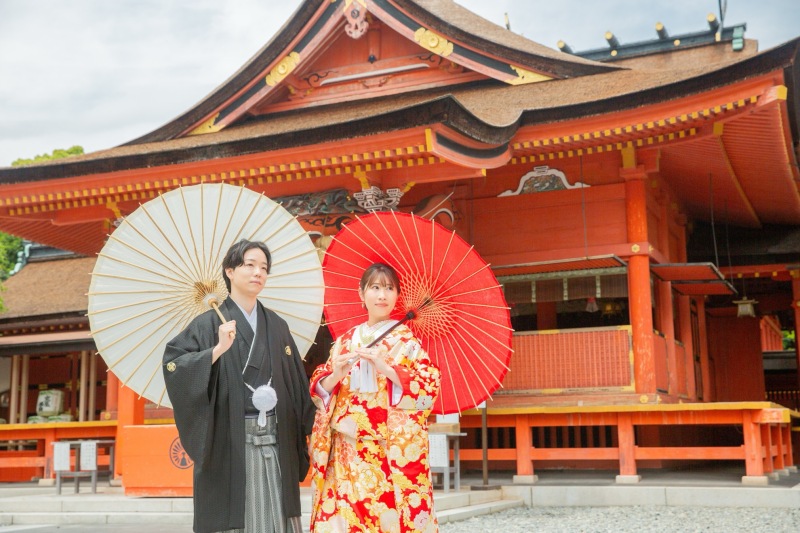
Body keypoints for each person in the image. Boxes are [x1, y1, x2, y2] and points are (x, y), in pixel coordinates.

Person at [163, 239, 315, 533]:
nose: (258, 272)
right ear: (229, 271)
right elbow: (174, 366)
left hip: (275, 439)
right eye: (250, 265)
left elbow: (298, 387)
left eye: (264, 268)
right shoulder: (207, 325)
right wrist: (216, 350)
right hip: (230, 442)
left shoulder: (278, 326)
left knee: (277, 518)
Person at [308, 262, 441, 533]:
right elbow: (319, 385)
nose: (382, 295)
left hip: (386, 452)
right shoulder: (345, 341)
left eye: (389, 288)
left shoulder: (408, 343)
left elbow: (428, 388)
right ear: (361, 294)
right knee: (342, 522)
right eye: (375, 287)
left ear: (397, 296)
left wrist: (389, 370)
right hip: (344, 452)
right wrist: (336, 374)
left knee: (385, 520)